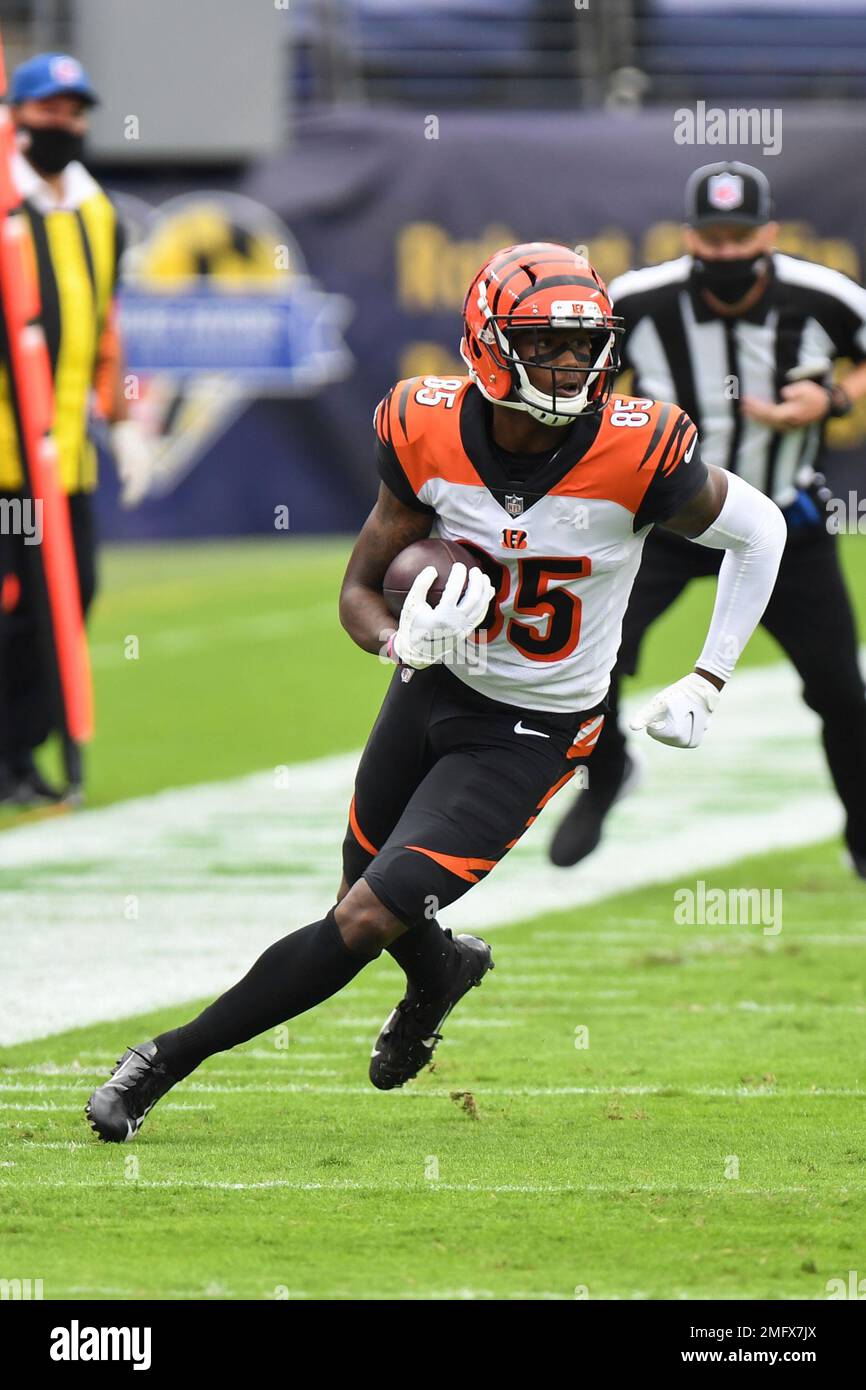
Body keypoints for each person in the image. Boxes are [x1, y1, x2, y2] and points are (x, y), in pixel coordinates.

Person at [85, 241, 786, 1143]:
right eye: (547, 344)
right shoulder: (425, 427)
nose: (573, 365)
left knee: (369, 911)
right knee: (372, 895)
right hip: (430, 690)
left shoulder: (637, 450)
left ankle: (160, 1063)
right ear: (490, 345)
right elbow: (357, 589)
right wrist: (396, 638)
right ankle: (439, 975)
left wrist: (710, 676)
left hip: (533, 725)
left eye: (586, 345)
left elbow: (759, 528)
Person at [550, 162, 866, 878]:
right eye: (713, 236)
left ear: (770, 233)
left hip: (785, 520)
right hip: (667, 520)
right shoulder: (639, 301)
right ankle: (610, 776)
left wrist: (835, 401)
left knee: (842, 693)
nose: (726, 251)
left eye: (740, 235)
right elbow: (574, 388)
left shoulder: (821, 297)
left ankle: (865, 840)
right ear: (689, 235)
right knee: (584, 668)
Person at [0, 52, 154, 805]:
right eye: (48, 111)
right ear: (16, 117)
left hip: (67, 460)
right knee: (17, 610)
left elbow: (104, 328)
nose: (63, 124)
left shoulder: (96, 211)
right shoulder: (4, 207)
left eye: (74, 111)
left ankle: (17, 754)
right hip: (4, 464)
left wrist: (121, 420)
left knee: (67, 602)